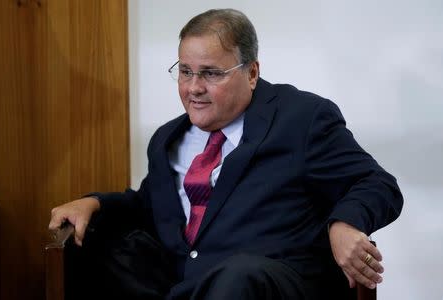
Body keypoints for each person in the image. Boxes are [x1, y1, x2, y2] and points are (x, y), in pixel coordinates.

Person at [49, 8, 403, 300]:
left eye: (210, 74)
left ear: (251, 73)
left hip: (269, 284)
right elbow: (150, 206)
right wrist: (94, 203)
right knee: (101, 246)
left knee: (239, 274)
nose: (193, 88)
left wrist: (344, 223)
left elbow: (377, 183)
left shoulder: (303, 119)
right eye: (185, 72)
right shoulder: (167, 139)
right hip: (184, 283)